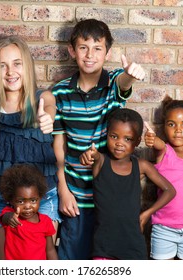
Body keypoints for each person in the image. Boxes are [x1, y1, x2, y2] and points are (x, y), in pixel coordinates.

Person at [52, 18, 146, 259]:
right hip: (77, 200)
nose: (90, 54)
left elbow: (124, 83)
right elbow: (59, 145)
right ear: (72, 51)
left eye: (97, 48)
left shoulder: (114, 82)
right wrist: (63, 190)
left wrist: (131, 75)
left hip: (112, 204)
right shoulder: (60, 92)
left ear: (108, 52)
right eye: (83, 47)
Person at [0, 36, 60, 260]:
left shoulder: (42, 98)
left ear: (27, 66)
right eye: (2, 66)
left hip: (44, 199)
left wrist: (47, 118)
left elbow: (49, 107)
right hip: (4, 202)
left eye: (17, 63)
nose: (10, 71)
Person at [80, 108, 176, 259]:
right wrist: (88, 154)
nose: (119, 143)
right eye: (114, 136)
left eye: (127, 139)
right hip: (104, 247)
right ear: (107, 135)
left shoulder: (141, 166)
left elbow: (170, 190)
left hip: (134, 246)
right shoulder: (101, 162)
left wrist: (146, 214)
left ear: (137, 141)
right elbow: (93, 155)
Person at [144, 96, 183, 260]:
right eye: (172, 124)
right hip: (164, 228)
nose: (178, 130)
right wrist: (152, 139)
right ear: (164, 127)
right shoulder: (164, 151)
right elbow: (157, 143)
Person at [0, 164, 58, 260]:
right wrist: (10, 217)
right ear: (11, 200)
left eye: (33, 200)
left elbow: (50, 250)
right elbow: (5, 218)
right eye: (21, 201)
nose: (27, 206)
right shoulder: (11, 216)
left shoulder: (45, 221)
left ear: (40, 198)